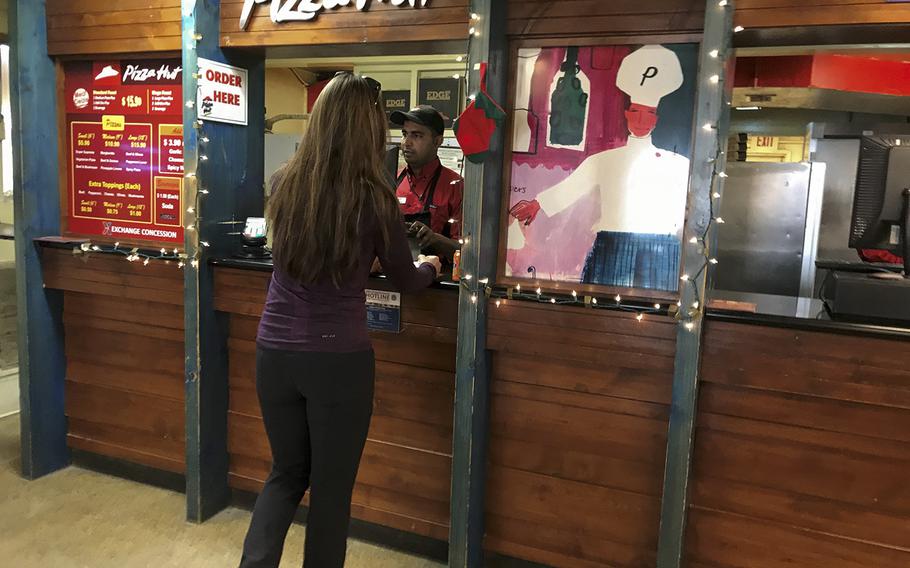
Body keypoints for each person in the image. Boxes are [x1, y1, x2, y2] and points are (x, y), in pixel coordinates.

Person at [239, 73, 442, 568]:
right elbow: (406, 278)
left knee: (285, 473)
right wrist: (432, 267)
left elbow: (297, 254)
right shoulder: (375, 197)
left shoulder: (284, 181)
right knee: (331, 492)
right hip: (337, 360)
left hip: (274, 352)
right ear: (368, 128)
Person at [510, 45, 690, 291]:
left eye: (648, 114)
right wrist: (537, 204)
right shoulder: (605, 160)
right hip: (612, 247)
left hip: (662, 249)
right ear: (626, 113)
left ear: (656, 119)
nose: (640, 120)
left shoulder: (678, 164)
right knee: (603, 311)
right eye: (635, 112)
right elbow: (572, 187)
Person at [390, 105, 463, 262]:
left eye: (416, 136)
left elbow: (465, 252)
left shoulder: (456, 186)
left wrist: (435, 239)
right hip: (389, 280)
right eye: (404, 134)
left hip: (435, 282)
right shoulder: (390, 180)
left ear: (437, 141)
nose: (406, 143)